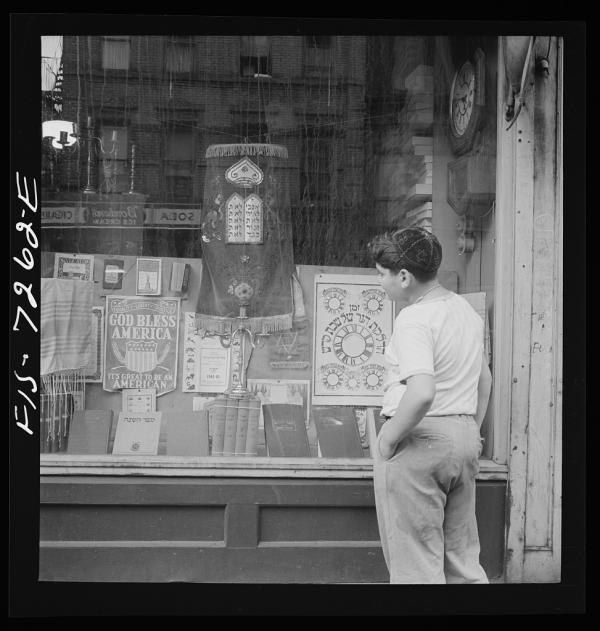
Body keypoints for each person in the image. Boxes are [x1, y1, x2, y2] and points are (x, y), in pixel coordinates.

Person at [367, 227, 492, 584]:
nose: (380, 284)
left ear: (404, 276)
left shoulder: (414, 318)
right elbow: (485, 381)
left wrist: (388, 440)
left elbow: (421, 391)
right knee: (463, 561)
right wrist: (469, 431)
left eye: (381, 275)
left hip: (419, 441)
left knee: (417, 567)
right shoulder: (465, 310)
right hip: (463, 437)